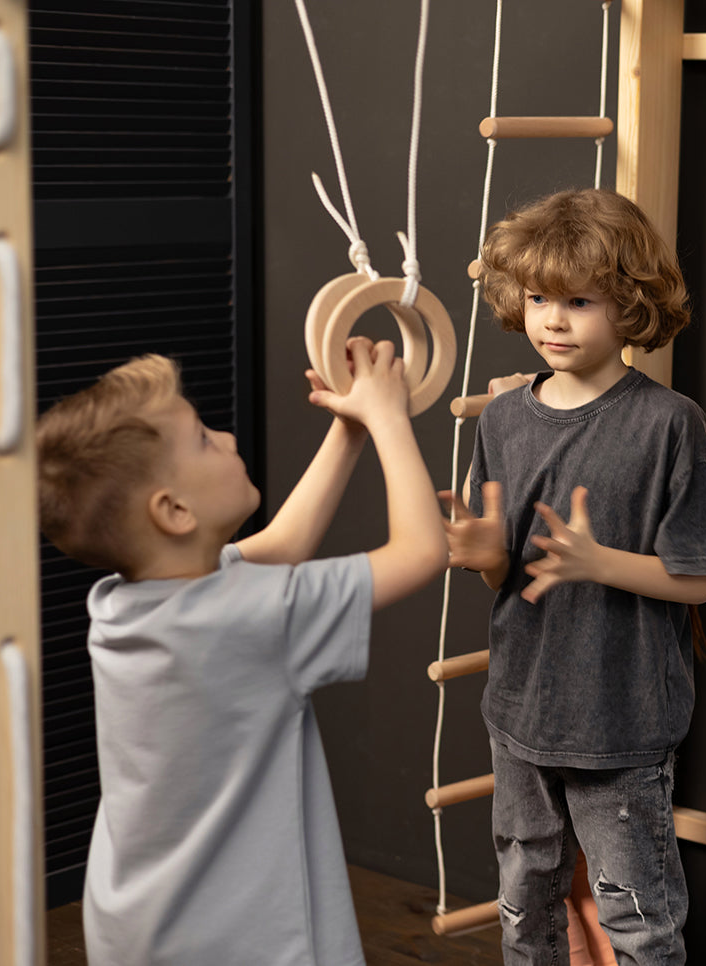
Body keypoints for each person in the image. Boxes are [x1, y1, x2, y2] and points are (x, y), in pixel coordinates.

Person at [36, 340, 448, 966]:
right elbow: (421, 551)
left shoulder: (125, 604)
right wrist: (391, 417)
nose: (226, 437)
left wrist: (350, 427)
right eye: (203, 438)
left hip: (139, 921)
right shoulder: (254, 616)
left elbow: (284, 543)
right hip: (244, 935)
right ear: (174, 511)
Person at [439, 188, 706, 965]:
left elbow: (698, 579)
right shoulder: (501, 418)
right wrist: (484, 555)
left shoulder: (670, 423)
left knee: (639, 921)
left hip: (623, 727)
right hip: (521, 714)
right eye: (538, 298)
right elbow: (508, 576)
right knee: (524, 904)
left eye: (579, 300)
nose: (553, 320)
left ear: (631, 304)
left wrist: (600, 562)